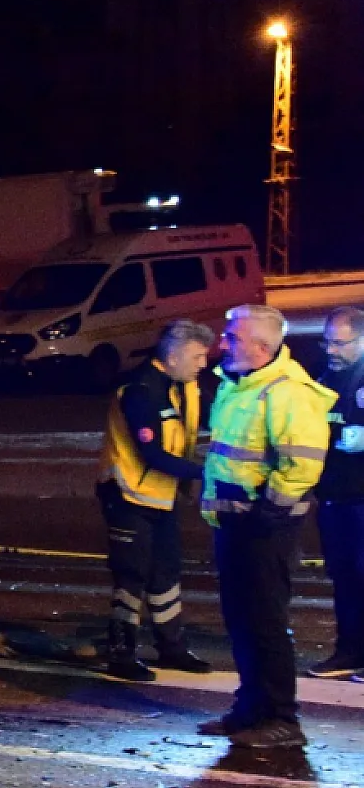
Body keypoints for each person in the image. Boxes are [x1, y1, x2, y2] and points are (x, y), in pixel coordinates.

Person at [199, 305, 334, 748]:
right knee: (243, 620)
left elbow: (302, 465)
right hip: (236, 522)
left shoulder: (287, 391)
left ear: (260, 346)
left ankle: (281, 718)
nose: (222, 343)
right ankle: (251, 709)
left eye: (232, 337)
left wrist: (268, 511)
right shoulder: (241, 383)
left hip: (264, 526)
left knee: (266, 622)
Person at [94, 320, 216, 681]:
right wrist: (209, 473)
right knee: (131, 574)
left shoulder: (182, 385)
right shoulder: (140, 391)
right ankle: (121, 652)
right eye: (197, 356)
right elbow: (153, 454)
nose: (204, 364)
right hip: (128, 495)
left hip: (161, 494)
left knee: (166, 571)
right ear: (173, 356)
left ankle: (172, 647)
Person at [312, 307, 364, 679]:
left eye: (340, 343)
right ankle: (349, 651)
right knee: (344, 577)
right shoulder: (327, 377)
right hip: (335, 496)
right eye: (327, 342)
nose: (331, 350)